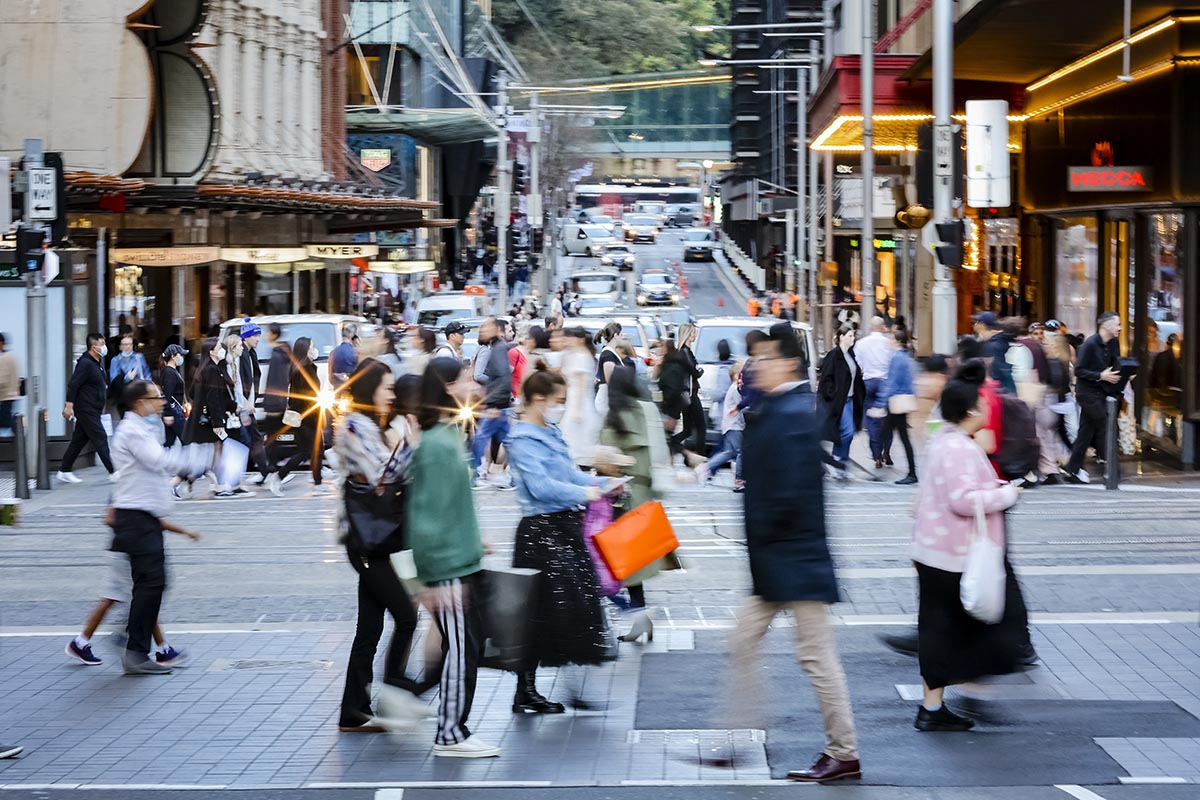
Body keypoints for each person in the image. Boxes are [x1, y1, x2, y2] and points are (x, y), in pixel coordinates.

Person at [725, 323, 861, 784]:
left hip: (793, 561)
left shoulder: (792, 413)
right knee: (743, 642)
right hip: (780, 561)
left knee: (816, 658)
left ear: (786, 362)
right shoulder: (779, 408)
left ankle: (842, 751)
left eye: (762, 358)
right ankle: (741, 739)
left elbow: (791, 495)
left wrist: (761, 534)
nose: (754, 366)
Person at [910, 361, 1027, 730]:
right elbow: (962, 500)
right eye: (981, 405)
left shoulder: (944, 441)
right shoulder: (958, 447)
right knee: (950, 629)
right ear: (969, 412)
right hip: (951, 555)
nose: (986, 409)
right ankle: (939, 706)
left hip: (934, 550)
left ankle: (934, 706)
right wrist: (1006, 495)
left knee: (938, 629)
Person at [506, 365, 613, 712]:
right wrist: (587, 494)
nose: (562, 406)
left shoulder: (549, 432)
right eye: (558, 400)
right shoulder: (521, 440)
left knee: (573, 606)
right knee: (541, 613)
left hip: (563, 529)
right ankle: (527, 689)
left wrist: (600, 484)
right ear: (539, 399)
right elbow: (540, 487)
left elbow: (567, 473)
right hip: (540, 533)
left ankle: (543, 688)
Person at [407, 357, 497, 758]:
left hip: (461, 560)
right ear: (446, 387)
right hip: (448, 567)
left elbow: (449, 508)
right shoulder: (439, 444)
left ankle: (453, 727)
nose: (471, 382)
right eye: (463, 377)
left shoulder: (445, 435)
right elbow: (426, 517)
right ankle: (449, 733)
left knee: (467, 647)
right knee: (462, 649)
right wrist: (427, 580)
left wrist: (476, 541)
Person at [333, 359, 427, 733]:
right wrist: (413, 444)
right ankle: (393, 693)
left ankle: (353, 711)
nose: (391, 394)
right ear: (370, 388)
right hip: (366, 542)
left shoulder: (372, 425)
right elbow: (383, 472)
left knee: (369, 629)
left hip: (378, 540)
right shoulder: (355, 424)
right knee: (406, 616)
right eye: (387, 387)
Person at [107, 380, 210, 674]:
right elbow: (161, 460)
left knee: (151, 584)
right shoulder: (132, 432)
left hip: (143, 520)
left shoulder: (139, 429)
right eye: (156, 397)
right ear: (140, 403)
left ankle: (132, 643)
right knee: (151, 583)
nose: (161, 402)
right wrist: (204, 457)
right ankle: (133, 649)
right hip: (135, 519)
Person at [599, 365, 679, 642]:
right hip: (642, 494)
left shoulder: (613, 418)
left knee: (618, 565)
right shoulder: (645, 411)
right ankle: (640, 619)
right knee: (631, 567)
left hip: (621, 498)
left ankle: (637, 617)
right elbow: (659, 450)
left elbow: (606, 461)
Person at [1063, 312, 1132, 484]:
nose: (1120, 328)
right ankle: (1113, 469)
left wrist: (1126, 374)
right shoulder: (1090, 345)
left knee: (1085, 432)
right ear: (1107, 325)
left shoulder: (1113, 343)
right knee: (1106, 426)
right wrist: (1100, 375)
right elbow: (1079, 371)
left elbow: (1116, 364)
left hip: (1102, 392)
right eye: (1118, 324)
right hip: (1087, 393)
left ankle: (1072, 469)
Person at [182, 337, 242, 498]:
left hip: (203, 419)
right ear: (211, 352)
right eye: (218, 347)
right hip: (211, 420)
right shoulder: (212, 370)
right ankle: (218, 486)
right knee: (216, 453)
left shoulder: (208, 368)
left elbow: (193, 393)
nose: (221, 349)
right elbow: (214, 398)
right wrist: (218, 422)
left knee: (213, 453)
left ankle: (193, 480)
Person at [57, 334, 116, 484]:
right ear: (93, 347)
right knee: (100, 437)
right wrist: (69, 405)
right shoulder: (85, 364)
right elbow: (73, 384)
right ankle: (113, 471)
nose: (104, 347)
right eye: (101, 344)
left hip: (93, 408)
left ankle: (64, 470)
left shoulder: (97, 362)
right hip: (86, 408)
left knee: (78, 440)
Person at [273, 337, 325, 490]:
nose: (314, 350)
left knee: (318, 451)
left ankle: (318, 482)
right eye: (312, 347)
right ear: (305, 350)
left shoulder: (305, 367)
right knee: (306, 452)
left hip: (310, 416)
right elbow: (304, 397)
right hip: (307, 417)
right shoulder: (304, 370)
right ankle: (278, 476)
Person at [470, 317, 514, 487]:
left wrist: (494, 403)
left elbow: (504, 377)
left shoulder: (497, 349)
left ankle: (473, 475)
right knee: (510, 443)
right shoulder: (495, 348)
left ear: (496, 330)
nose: (482, 331)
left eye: (486, 328)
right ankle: (515, 477)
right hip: (499, 405)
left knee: (480, 441)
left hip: (497, 406)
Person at [817, 326, 865, 475]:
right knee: (847, 432)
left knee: (847, 432)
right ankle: (839, 459)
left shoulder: (850, 355)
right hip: (840, 401)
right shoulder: (833, 356)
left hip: (850, 400)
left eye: (853, 336)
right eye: (850, 336)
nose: (853, 338)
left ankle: (840, 462)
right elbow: (826, 379)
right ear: (841, 337)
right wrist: (833, 394)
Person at [698, 360, 744, 490]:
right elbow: (741, 407)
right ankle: (739, 480)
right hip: (734, 425)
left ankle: (706, 468)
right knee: (740, 452)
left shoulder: (734, 388)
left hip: (730, 425)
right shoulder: (735, 390)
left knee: (729, 452)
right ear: (736, 376)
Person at [236, 320, 272, 485]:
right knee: (248, 439)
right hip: (240, 406)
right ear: (246, 337)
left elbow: (254, 378)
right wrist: (244, 401)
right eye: (255, 335)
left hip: (247, 405)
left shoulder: (251, 353)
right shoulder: (240, 354)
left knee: (253, 437)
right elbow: (236, 381)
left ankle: (265, 471)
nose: (258, 339)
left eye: (259, 335)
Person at [854, 317, 892, 469]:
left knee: (871, 420)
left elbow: (858, 364)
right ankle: (886, 452)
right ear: (882, 326)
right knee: (887, 419)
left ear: (870, 327)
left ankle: (876, 455)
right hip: (885, 382)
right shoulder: (888, 343)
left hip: (868, 382)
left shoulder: (862, 343)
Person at [881, 330, 918, 485]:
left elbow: (892, 382)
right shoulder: (905, 357)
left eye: (891, 339)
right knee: (892, 434)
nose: (889, 341)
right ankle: (882, 460)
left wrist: (881, 403)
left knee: (889, 434)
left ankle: (911, 473)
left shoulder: (897, 358)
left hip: (896, 402)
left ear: (897, 341)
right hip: (901, 401)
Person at [559, 327, 598, 463]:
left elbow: (582, 386)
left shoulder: (583, 356)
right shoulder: (572, 355)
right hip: (572, 398)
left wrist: (577, 409)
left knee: (574, 438)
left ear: (580, 340)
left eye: (571, 338)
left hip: (579, 401)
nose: (568, 341)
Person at [262, 323, 292, 465]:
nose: (265, 336)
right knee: (276, 434)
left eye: (268, 333)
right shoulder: (283, 352)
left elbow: (274, 381)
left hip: (274, 402)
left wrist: (270, 403)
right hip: (279, 401)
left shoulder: (277, 355)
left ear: (274, 334)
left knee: (271, 436)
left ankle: (272, 467)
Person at [675, 324, 707, 453]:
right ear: (687, 334)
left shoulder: (683, 352)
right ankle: (701, 456)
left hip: (685, 393)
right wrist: (700, 370)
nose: (695, 336)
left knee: (688, 429)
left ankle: (672, 443)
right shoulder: (685, 352)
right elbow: (695, 371)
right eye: (693, 333)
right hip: (689, 393)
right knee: (701, 427)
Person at [973, 311, 1016, 394]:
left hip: (1000, 394)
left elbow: (996, 374)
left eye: (976, 322)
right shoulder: (996, 342)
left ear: (982, 325)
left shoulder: (992, 346)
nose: (974, 325)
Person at [158, 344, 188, 448]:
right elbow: (168, 394)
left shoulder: (170, 371)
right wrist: (168, 413)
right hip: (174, 411)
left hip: (174, 410)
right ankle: (187, 463)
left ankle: (165, 461)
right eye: (180, 355)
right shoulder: (170, 373)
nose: (182, 357)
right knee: (186, 440)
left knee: (170, 441)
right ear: (173, 356)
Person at [330, 323, 360, 390]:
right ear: (353, 336)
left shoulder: (333, 352)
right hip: (351, 390)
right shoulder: (355, 353)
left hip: (337, 391)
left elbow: (330, 377)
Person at [0, 333, 19, 433]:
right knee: (5, 421)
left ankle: (17, 427)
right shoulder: (12, 357)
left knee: (5, 422)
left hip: (5, 397)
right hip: (12, 395)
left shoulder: (4, 358)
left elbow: (1, 380)